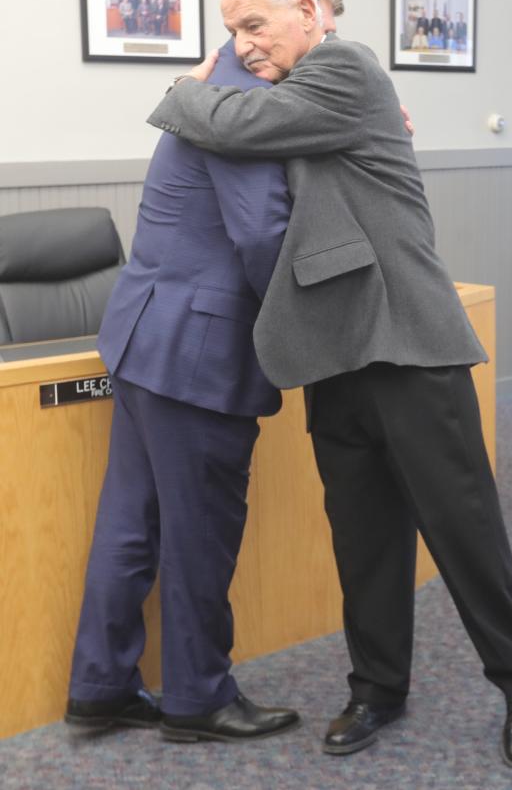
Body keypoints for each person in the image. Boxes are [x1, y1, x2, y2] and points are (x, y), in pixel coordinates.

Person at [147, 0, 512, 769]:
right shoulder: (296, 94)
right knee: (363, 534)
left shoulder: (346, 68)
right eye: (231, 31)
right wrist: (227, 86)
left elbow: (234, 124)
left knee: (461, 525)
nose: (245, 43)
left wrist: (186, 88)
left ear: (308, 11)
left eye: (254, 24)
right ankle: (377, 688)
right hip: (334, 350)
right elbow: (257, 133)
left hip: (406, 340)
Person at [64, 38, 301, 743]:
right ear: (291, 26)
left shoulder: (198, 95)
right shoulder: (242, 109)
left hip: (143, 338)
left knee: (130, 522)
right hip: (197, 353)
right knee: (200, 531)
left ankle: (101, 683)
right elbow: (263, 235)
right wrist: (307, 328)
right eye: (320, 39)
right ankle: (198, 695)